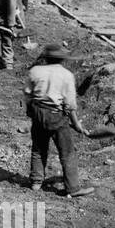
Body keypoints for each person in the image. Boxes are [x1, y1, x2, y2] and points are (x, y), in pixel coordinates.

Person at [24, 42, 94, 196]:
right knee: (67, 152)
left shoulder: (35, 71)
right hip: (56, 115)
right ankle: (73, 188)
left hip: (38, 113)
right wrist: (76, 124)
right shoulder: (66, 75)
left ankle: (36, 182)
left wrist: (31, 113)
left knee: (38, 148)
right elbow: (69, 105)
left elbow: (28, 94)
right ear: (62, 59)